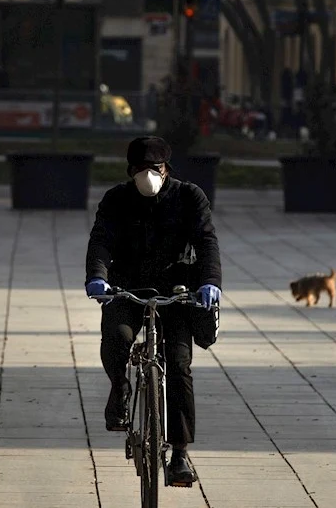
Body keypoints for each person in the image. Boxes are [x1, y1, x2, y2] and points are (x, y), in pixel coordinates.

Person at [84, 135, 222, 487]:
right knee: (117, 338)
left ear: (166, 169)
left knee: (178, 365)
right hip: (127, 287)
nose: (148, 175)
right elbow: (100, 239)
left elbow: (207, 241)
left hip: (177, 290)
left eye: (155, 168)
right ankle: (120, 388)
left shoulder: (189, 197)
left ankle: (179, 454)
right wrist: (98, 278)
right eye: (141, 169)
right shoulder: (117, 199)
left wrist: (210, 282)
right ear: (130, 171)